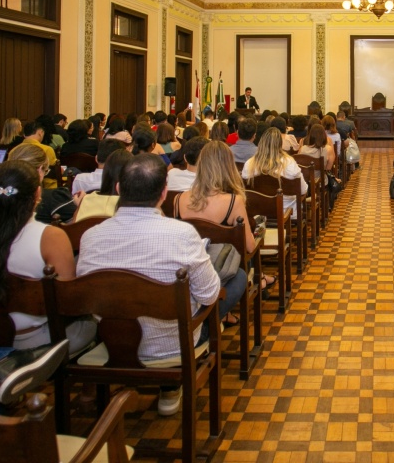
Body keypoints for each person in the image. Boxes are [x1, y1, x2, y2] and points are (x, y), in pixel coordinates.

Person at [76, 153, 222, 416]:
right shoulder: (182, 234)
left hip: (113, 344)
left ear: (119, 188)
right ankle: (169, 386)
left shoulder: (91, 236)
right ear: (164, 193)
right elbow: (210, 294)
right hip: (174, 345)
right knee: (230, 287)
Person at [0, 161, 95, 355]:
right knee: (96, 322)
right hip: (41, 341)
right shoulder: (49, 237)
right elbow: (68, 302)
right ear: (38, 194)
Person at [172, 141, 250, 326]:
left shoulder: (179, 199)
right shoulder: (233, 201)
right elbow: (249, 246)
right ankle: (209, 322)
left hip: (186, 273)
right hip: (220, 269)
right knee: (240, 276)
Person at [242, 127, 308, 219]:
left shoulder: (249, 164)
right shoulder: (289, 163)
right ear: (280, 144)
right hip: (287, 212)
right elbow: (303, 190)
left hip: (258, 213)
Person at [8, 143, 83, 224]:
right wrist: (80, 206)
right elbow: (80, 228)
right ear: (40, 169)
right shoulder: (55, 198)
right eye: (46, 171)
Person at [73, 148, 133, 221]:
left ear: (105, 172)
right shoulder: (134, 207)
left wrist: (80, 206)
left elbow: (75, 226)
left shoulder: (86, 200)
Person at [21, 120, 57, 188]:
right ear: (40, 133)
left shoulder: (14, 150)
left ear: (24, 134)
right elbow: (52, 174)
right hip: (44, 188)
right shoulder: (46, 149)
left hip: (20, 186)